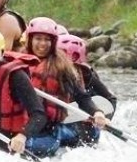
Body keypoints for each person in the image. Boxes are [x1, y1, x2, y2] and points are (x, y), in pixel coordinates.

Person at [22, 17, 109, 152]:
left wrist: (97, 112)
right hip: (23, 127)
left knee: (28, 146)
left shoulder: (62, 68)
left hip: (48, 132)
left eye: (47, 40)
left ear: (53, 42)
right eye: (38, 39)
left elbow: (82, 97)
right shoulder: (18, 62)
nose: (43, 44)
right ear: (30, 39)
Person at [58, 28, 118, 144]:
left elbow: (111, 99)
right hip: (63, 124)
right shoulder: (46, 71)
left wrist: (104, 118)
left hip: (85, 127)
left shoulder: (88, 75)